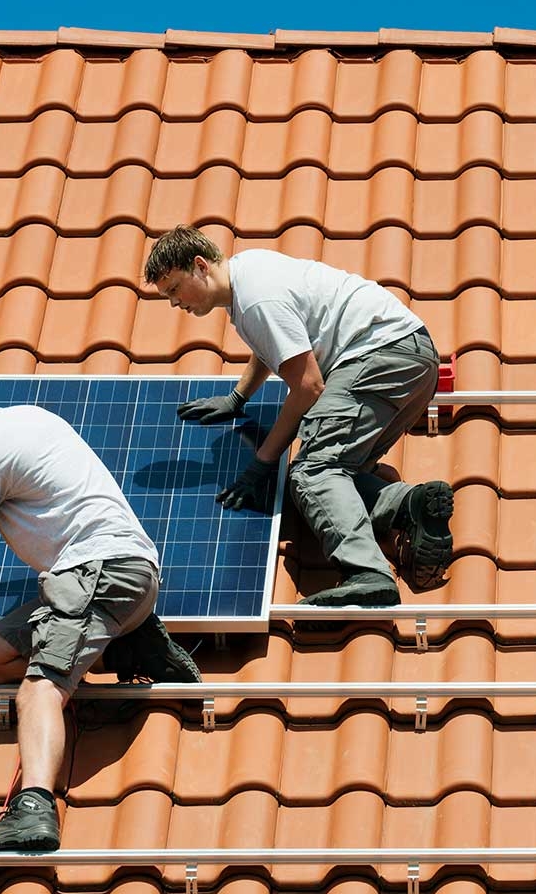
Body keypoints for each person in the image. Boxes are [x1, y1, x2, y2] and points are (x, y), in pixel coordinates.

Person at [0, 405, 201, 851]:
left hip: (98, 574)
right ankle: (132, 650)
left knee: (39, 689)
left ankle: (35, 808)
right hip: (109, 578)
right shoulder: (17, 418)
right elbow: (12, 497)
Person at [143, 225, 454, 607]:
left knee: (313, 473)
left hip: (376, 356)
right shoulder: (248, 272)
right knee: (340, 479)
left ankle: (367, 573)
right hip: (415, 361)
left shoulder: (255, 299)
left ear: (200, 266)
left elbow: (308, 386)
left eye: (175, 289)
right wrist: (238, 397)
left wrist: (261, 463)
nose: (175, 303)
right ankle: (411, 504)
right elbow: (274, 343)